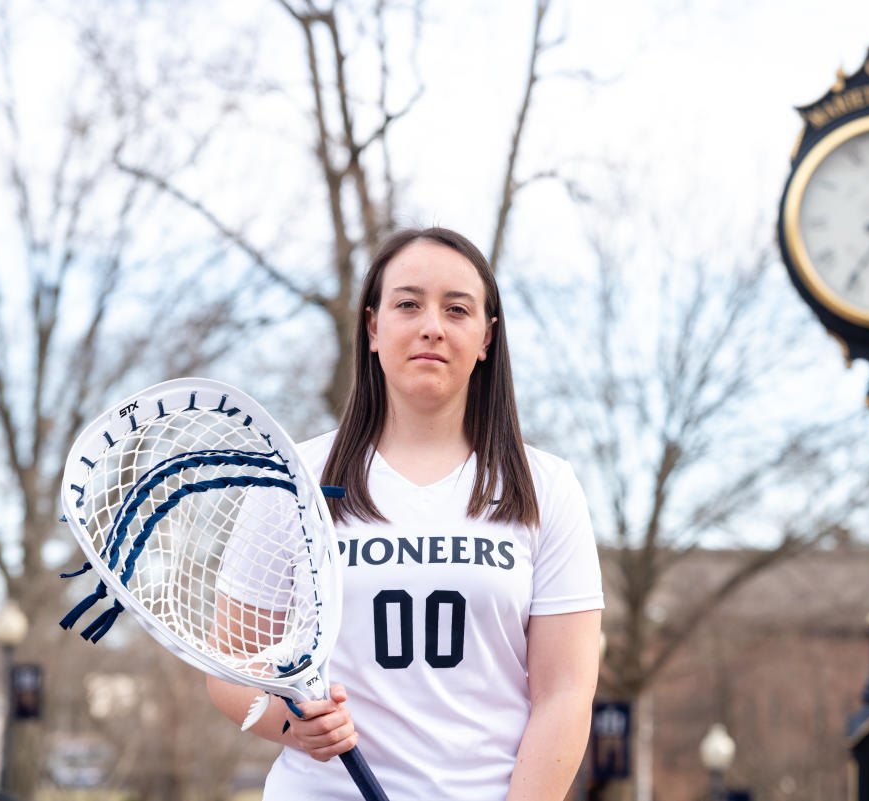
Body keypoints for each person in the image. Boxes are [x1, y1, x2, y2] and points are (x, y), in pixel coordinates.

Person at [207, 227, 604, 801]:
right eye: (408, 303)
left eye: (457, 309)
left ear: (487, 337)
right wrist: (294, 726)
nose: (431, 327)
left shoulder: (547, 487)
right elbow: (231, 671)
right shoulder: (293, 479)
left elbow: (565, 695)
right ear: (373, 326)